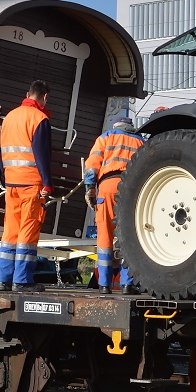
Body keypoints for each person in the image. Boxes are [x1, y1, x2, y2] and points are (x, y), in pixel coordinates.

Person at [0, 80, 53, 292]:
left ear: (27, 93)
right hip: (31, 184)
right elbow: (42, 154)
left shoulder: (9, 117)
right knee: (27, 232)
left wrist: (7, 174)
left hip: (11, 183)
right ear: (45, 96)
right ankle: (22, 281)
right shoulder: (40, 119)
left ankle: (4, 279)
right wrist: (47, 183)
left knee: (10, 231)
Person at [83, 117, 145, 295]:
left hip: (107, 187)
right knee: (129, 237)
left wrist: (90, 190)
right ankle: (127, 285)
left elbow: (92, 166)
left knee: (104, 237)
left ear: (116, 126)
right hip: (130, 190)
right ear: (130, 127)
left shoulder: (106, 137)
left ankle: (104, 284)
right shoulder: (141, 141)